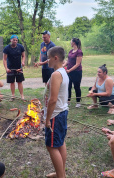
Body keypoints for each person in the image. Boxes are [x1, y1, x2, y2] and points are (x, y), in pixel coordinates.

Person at [43, 46, 69, 178]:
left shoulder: (56, 74)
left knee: (52, 146)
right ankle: (60, 173)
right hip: (61, 112)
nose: (47, 60)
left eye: (48, 58)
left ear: (55, 58)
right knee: (60, 143)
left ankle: (61, 176)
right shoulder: (62, 72)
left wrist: (47, 119)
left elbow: (53, 100)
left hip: (55, 115)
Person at [3, 34, 25, 100]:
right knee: (12, 82)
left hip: (19, 68)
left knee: (19, 82)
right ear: (11, 40)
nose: (15, 41)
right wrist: (6, 68)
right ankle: (13, 95)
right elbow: (4, 59)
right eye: (13, 40)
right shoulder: (7, 48)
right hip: (10, 68)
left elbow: (23, 56)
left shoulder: (21, 47)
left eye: (16, 40)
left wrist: (23, 62)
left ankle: (22, 96)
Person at [62, 38, 83, 107]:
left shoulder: (79, 52)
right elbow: (68, 61)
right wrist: (63, 66)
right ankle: (68, 101)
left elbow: (77, 64)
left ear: (73, 43)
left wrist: (69, 70)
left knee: (76, 87)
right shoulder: (71, 51)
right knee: (68, 86)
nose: (70, 43)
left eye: (71, 42)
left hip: (77, 72)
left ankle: (78, 102)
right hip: (69, 72)